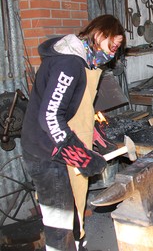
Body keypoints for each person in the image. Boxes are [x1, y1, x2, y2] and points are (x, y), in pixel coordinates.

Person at [21, 14, 126, 250]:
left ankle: (78, 243)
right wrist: (81, 157)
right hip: (46, 153)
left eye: (117, 48)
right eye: (113, 45)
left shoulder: (78, 59)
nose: (113, 52)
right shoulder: (69, 64)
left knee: (72, 211)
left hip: (49, 147)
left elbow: (72, 108)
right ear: (99, 34)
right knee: (59, 225)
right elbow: (49, 116)